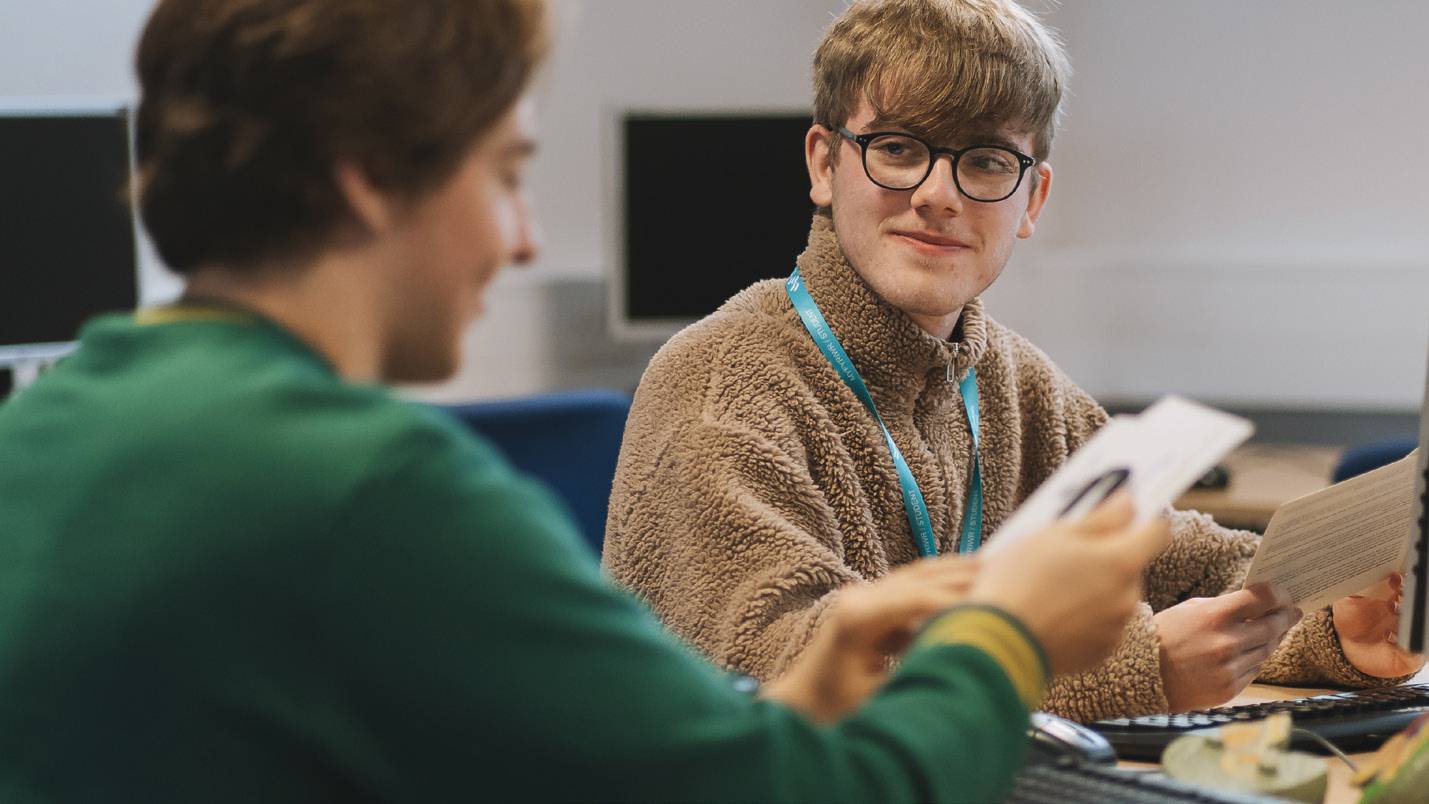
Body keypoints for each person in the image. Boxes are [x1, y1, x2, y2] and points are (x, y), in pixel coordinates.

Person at [0, 1, 1172, 801]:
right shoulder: (365, 494)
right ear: (367, 182)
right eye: (507, 173)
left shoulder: (54, 425)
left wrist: (807, 691)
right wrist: (1006, 635)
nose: (524, 240)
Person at [603, 0, 1425, 723]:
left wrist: (1334, 630)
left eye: (986, 161)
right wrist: (1137, 670)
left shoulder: (1014, 381)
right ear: (824, 163)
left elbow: (1176, 568)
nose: (938, 193)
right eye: (897, 147)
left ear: (1030, 199)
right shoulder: (718, 388)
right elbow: (781, 672)